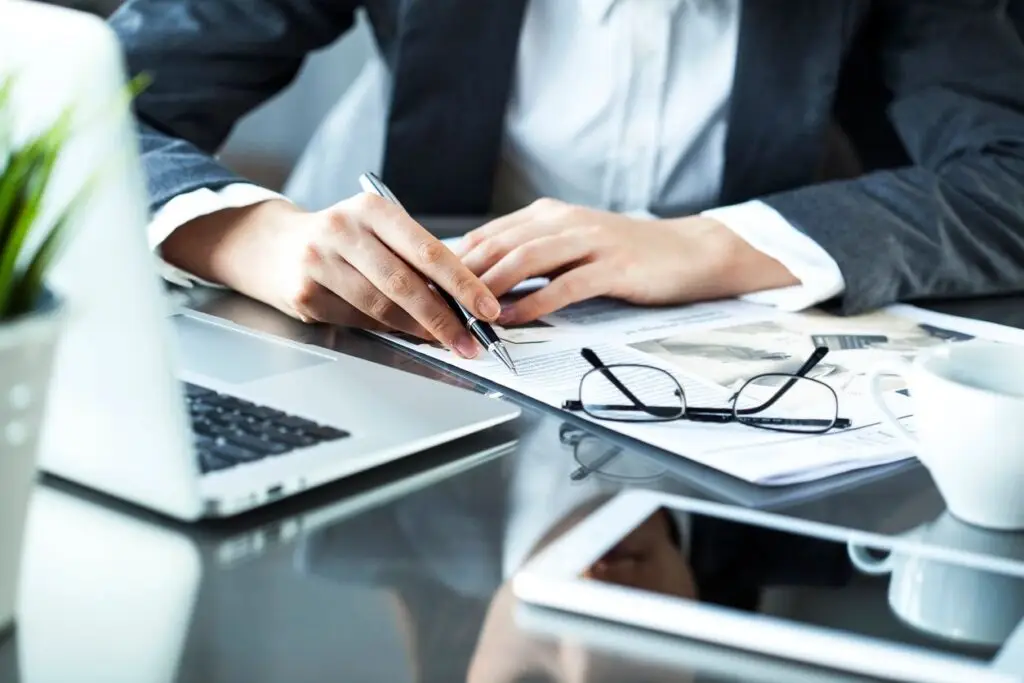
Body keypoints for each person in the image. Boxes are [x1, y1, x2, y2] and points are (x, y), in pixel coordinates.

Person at [110, 1, 1024, 360]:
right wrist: (251, 235)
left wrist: (712, 243)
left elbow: (1010, 175)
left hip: (732, 389)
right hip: (390, 356)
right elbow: (73, 96)